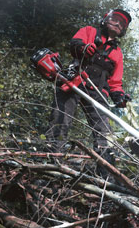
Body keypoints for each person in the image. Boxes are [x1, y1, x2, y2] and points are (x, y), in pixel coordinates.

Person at [45, 9, 132, 176]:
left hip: (98, 91)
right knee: (60, 120)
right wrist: (83, 48)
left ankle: (105, 175)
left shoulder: (117, 53)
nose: (118, 23)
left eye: (122, 23)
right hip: (74, 82)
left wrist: (119, 95)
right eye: (115, 19)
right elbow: (74, 45)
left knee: (102, 131)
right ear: (106, 19)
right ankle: (52, 163)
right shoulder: (89, 31)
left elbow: (115, 82)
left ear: (124, 30)